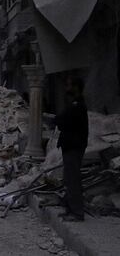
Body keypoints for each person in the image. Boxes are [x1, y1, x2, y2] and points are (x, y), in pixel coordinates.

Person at [54, 76, 89, 222]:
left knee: (73, 180)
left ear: (76, 87)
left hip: (74, 147)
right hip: (70, 146)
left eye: (69, 85)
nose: (66, 88)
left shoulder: (77, 105)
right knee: (69, 180)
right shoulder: (73, 104)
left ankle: (77, 213)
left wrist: (58, 119)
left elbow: (62, 122)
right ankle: (70, 209)